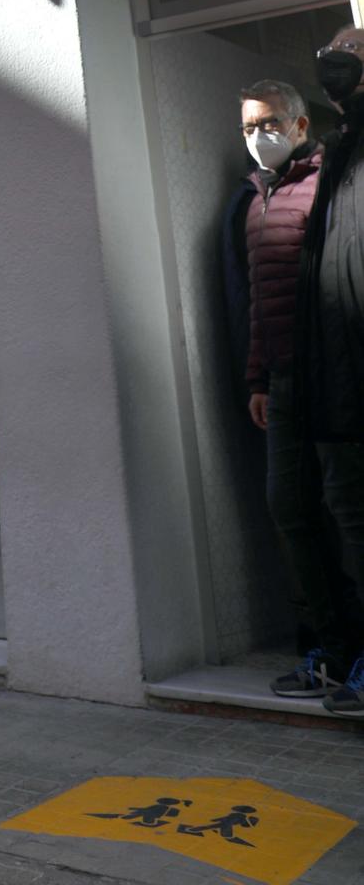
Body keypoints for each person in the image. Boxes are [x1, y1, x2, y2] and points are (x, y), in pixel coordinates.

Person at [228, 80, 342, 698]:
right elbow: (256, 306)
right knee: (290, 513)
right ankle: (330, 647)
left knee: (345, 515)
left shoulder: (328, 186)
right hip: (283, 384)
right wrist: (258, 379)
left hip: (331, 378)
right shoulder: (254, 200)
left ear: (300, 127)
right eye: (248, 127)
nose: (257, 136)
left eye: (269, 123)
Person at [293, 21, 364, 718]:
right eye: (333, 57)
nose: (338, 66)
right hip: (337, 391)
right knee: (348, 524)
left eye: (353, 56)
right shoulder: (335, 154)